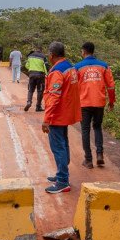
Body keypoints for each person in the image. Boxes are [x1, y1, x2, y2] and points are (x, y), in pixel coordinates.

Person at [41, 41, 80, 193]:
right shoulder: (70, 67)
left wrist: (47, 119)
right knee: (63, 143)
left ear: (51, 55)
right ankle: (61, 174)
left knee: (58, 147)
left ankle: (63, 181)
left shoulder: (57, 71)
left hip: (58, 114)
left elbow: (54, 96)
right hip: (66, 112)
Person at [74, 41, 116, 168]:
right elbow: (111, 86)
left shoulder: (77, 67)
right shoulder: (104, 66)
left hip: (84, 103)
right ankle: (99, 155)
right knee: (97, 127)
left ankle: (88, 160)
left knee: (85, 130)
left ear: (84, 51)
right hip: (99, 102)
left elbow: (73, 87)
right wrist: (112, 101)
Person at [23, 46, 49, 112]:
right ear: (41, 50)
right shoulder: (43, 56)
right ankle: (38, 106)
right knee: (40, 90)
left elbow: (26, 65)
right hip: (40, 75)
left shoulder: (30, 55)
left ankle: (29, 102)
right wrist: (47, 74)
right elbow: (46, 66)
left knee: (30, 90)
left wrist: (31, 69)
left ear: (35, 50)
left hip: (31, 74)